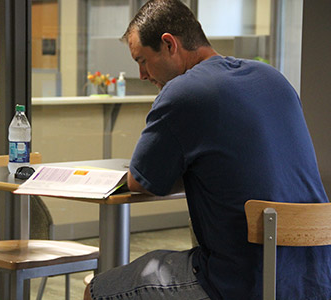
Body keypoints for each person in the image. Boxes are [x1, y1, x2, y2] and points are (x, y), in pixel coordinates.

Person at [84, 0, 331, 299]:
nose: (142, 75)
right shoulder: (273, 78)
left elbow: (141, 180)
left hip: (239, 282)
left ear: (169, 44)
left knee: (99, 289)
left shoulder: (183, 92)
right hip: (316, 278)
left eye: (142, 60)